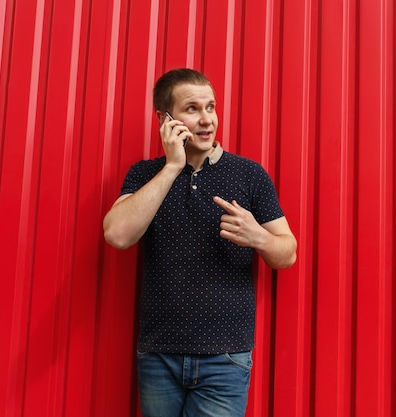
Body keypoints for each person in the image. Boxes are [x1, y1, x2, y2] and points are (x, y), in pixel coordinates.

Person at [103, 68, 297, 417]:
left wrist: (259, 237)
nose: (207, 119)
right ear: (166, 119)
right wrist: (173, 166)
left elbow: (288, 253)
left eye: (211, 107)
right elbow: (117, 235)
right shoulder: (145, 174)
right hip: (159, 353)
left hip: (225, 357)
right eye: (192, 109)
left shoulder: (249, 175)